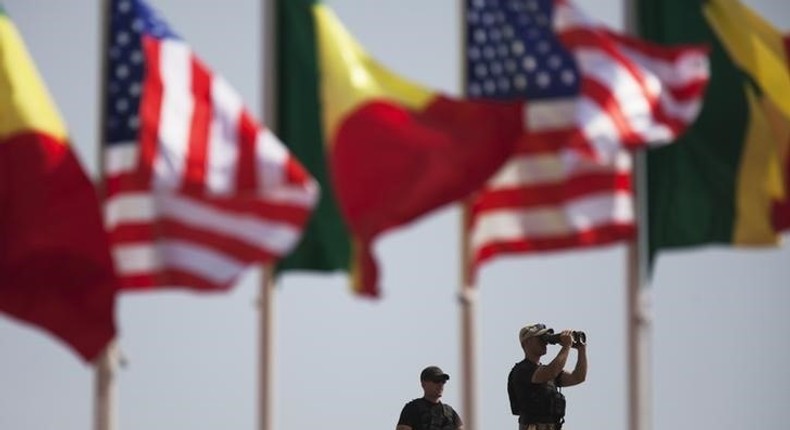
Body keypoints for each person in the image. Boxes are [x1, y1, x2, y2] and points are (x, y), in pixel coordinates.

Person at [507, 323, 588, 430]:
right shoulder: (522, 370)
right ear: (527, 342)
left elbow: (578, 377)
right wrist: (566, 346)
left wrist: (581, 349)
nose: (544, 342)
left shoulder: (546, 371)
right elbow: (551, 371)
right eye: (540, 338)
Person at [396, 365, 464, 430]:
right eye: (436, 381)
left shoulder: (450, 413)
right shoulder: (412, 409)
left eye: (443, 382)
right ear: (423, 384)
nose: (441, 385)